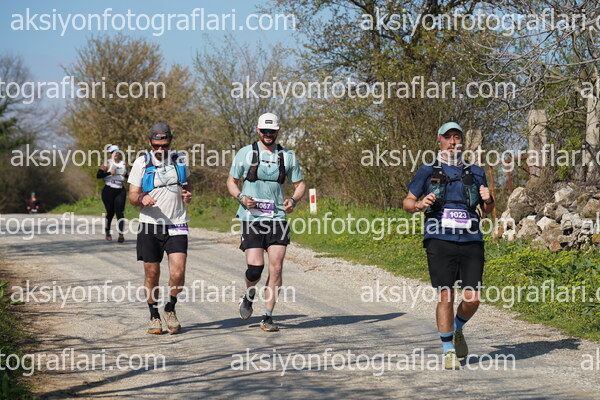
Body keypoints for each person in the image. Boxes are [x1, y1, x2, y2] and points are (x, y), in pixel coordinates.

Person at [402, 122, 495, 369]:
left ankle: (456, 327)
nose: (453, 142)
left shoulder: (476, 172)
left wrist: (489, 200)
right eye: (448, 137)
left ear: (462, 141)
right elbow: (407, 202)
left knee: (473, 299)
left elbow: (487, 209)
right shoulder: (427, 170)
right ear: (439, 140)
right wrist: (420, 204)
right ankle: (448, 350)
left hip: (471, 239)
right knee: (446, 294)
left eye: (457, 137)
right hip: (439, 238)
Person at [227, 113, 305, 332]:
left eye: (272, 131)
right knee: (255, 268)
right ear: (258, 130)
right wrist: (241, 197)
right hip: (252, 218)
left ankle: (268, 316)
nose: (268, 134)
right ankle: (249, 294)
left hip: (277, 218)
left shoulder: (287, 156)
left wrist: (293, 200)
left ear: (278, 132)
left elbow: (300, 184)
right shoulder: (246, 153)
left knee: (276, 267)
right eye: (265, 131)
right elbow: (231, 181)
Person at [127, 122, 192, 335]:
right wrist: (141, 198)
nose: (160, 150)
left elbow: (187, 185)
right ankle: (153, 314)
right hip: (150, 225)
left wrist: (187, 194)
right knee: (152, 273)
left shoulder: (180, 160)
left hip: (177, 223)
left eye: (164, 145)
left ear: (170, 142)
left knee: (178, 272)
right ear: (150, 143)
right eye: (156, 146)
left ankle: (170, 308)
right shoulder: (141, 163)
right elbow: (132, 195)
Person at [97, 145, 127, 242]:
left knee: (119, 212)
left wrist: (128, 175)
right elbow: (98, 175)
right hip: (108, 190)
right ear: (110, 154)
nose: (115, 154)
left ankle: (121, 234)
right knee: (110, 212)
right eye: (113, 152)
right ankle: (107, 232)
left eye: (117, 152)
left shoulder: (123, 163)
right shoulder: (107, 163)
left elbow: (126, 175)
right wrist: (110, 173)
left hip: (120, 190)